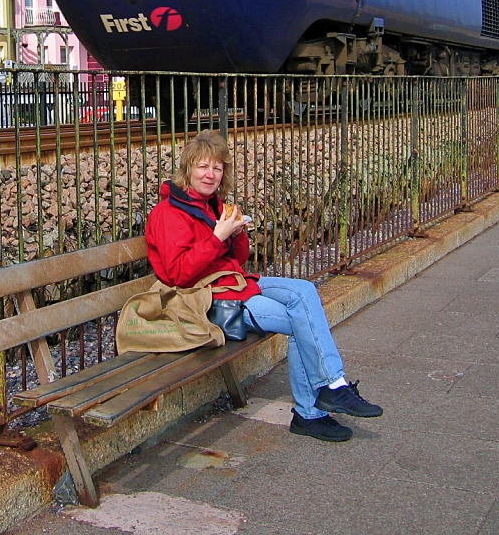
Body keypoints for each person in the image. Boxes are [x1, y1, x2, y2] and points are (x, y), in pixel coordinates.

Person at [145, 130, 382, 442]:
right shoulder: (170, 212)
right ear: (187, 169)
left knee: (305, 291)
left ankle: (326, 393)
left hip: (233, 283)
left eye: (217, 168)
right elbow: (178, 274)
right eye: (203, 167)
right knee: (302, 323)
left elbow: (238, 259)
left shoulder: (214, 205)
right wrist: (216, 238)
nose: (210, 174)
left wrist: (236, 233)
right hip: (207, 299)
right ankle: (318, 403)